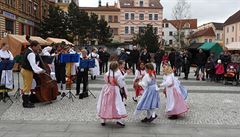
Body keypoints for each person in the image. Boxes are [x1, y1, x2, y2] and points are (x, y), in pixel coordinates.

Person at [97, 61, 127, 127]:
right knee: (117, 103)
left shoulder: (107, 73)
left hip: (106, 88)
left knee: (105, 103)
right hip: (114, 90)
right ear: (116, 67)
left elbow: (106, 81)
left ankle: (103, 119)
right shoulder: (117, 75)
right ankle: (119, 119)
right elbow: (121, 84)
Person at [21, 41, 45, 108]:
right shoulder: (31, 54)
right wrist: (41, 70)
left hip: (24, 70)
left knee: (26, 85)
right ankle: (25, 103)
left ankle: (27, 101)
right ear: (33, 46)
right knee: (27, 87)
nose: (38, 49)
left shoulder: (28, 50)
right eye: (37, 47)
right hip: (27, 71)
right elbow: (33, 65)